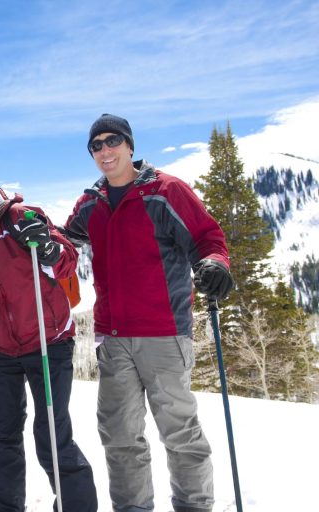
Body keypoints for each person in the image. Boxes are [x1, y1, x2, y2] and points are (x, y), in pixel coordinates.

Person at [62, 114, 234, 512]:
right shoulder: (92, 203)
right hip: (113, 338)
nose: (105, 151)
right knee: (120, 436)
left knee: (180, 434)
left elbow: (207, 237)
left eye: (112, 141)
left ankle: (193, 506)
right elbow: (64, 243)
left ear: (130, 145)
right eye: (96, 146)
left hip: (164, 333)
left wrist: (215, 264)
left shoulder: (165, 191)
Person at [0, 157, 98, 512]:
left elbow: (67, 260)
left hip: (49, 340)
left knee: (52, 434)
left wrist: (46, 247)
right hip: (0, 350)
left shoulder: (20, 216)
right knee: (0, 438)